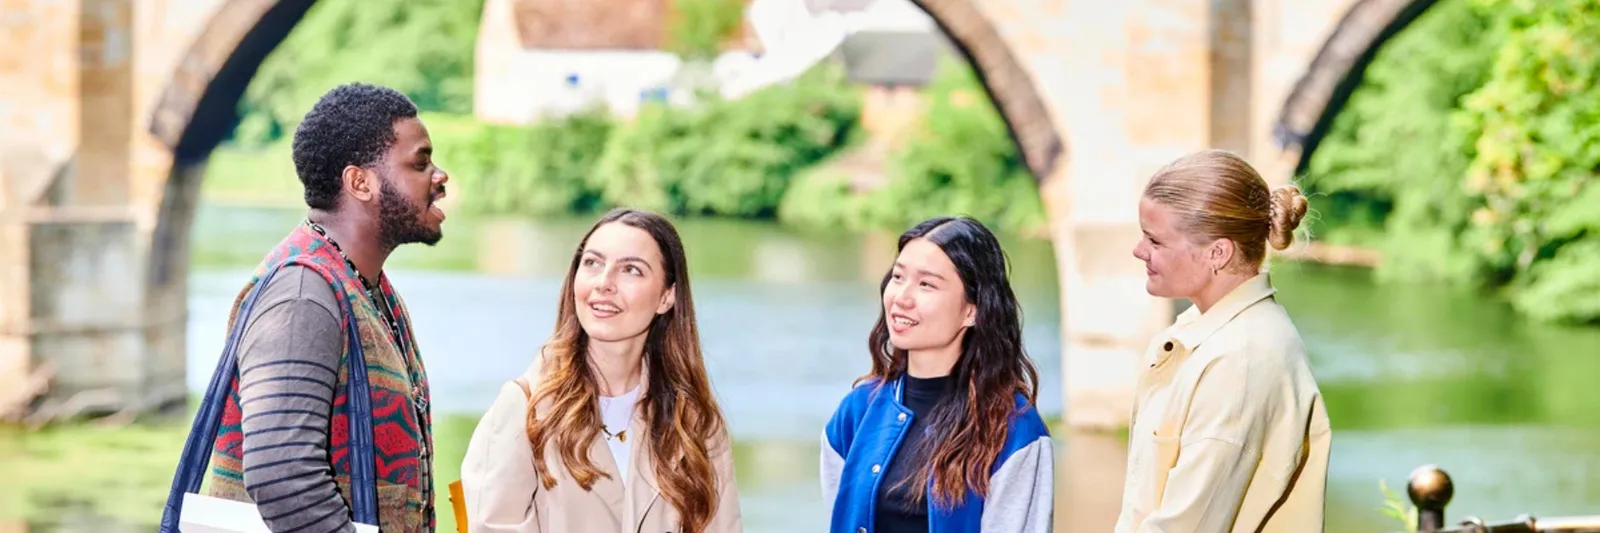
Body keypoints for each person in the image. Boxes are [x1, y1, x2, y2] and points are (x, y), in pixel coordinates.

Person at [200, 82, 449, 533]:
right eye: (421, 162)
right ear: (360, 182)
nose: (440, 175)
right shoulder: (302, 295)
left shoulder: (362, 284)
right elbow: (281, 474)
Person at [458, 208, 742, 533]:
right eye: (592, 263)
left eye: (631, 270)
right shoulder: (523, 408)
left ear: (666, 297)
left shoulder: (697, 425)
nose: (604, 283)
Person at [1116, 149, 1331, 533]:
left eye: (1155, 240)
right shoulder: (1210, 335)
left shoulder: (1238, 362)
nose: (1139, 250)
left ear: (1218, 252)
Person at [821, 216, 1054, 533]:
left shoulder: (1014, 431)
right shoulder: (856, 413)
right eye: (898, 277)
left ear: (973, 310)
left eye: (926, 284)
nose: (902, 297)